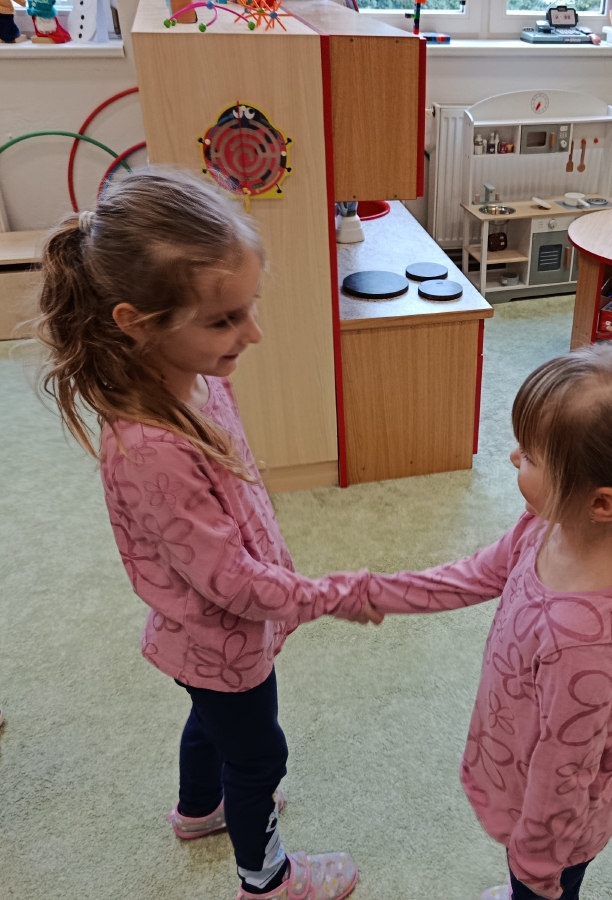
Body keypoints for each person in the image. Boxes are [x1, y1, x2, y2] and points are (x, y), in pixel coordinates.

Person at [35, 168, 383, 900]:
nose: (252, 333)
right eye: (224, 320)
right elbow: (227, 580)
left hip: (209, 640)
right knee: (257, 757)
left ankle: (199, 811)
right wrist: (327, 595)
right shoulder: (150, 447)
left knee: (211, 720)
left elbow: (233, 504)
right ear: (136, 321)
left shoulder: (199, 381)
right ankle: (268, 879)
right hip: (220, 634)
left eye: (248, 309)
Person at [367, 344, 612, 900]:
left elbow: (564, 774)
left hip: (553, 836)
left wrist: (537, 870)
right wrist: (375, 592)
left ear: (603, 503)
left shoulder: (581, 640)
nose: (514, 456)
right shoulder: (550, 528)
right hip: (517, 764)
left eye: (533, 457)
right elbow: (474, 575)